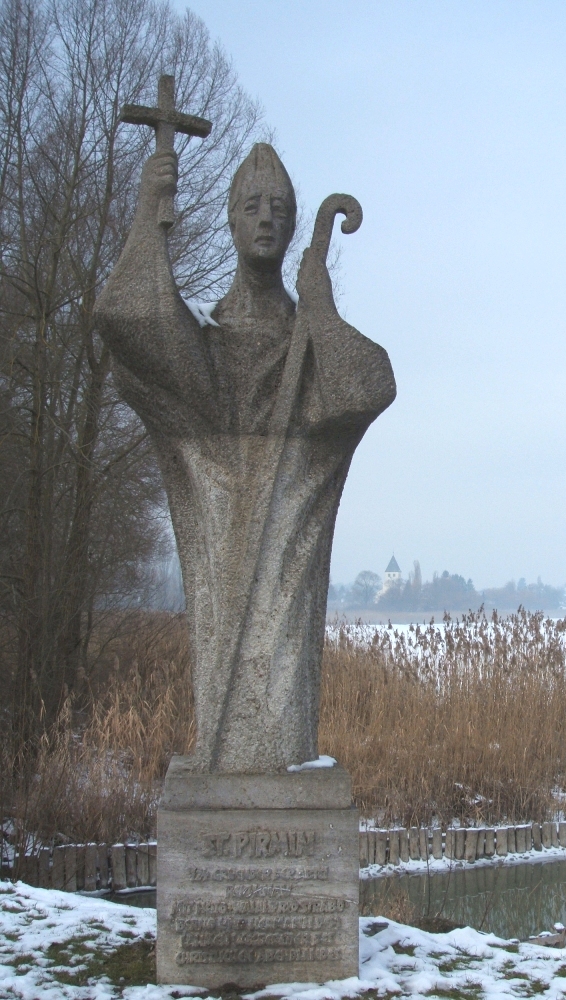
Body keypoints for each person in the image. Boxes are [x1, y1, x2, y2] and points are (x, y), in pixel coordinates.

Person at [95, 143, 395, 772]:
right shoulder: (202, 344)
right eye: (253, 206)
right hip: (222, 562)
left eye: (280, 209)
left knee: (281, 702)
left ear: (292, 228)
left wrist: (321, 310)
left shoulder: (307, 343)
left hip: (287, 572)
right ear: (231, 220)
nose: (266, 218)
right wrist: (151, 209)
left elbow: (368, 386)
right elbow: (129, 317)